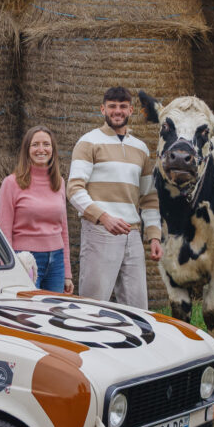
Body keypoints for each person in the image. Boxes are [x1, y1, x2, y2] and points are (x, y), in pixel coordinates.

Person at [66, 86, 163, 309]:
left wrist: (154, 236)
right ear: (103, 109)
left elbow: (149, 198)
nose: (117, 111)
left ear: (130, 110)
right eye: (112, 107)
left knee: (138, 307)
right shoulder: (88, 142)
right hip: (100, 231)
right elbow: (74, 189)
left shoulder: (140, 148)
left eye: (122, 107)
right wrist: (103, 217)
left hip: (132, 234)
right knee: (93, 305)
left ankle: (137, 345)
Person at [0, 125, 73, 293]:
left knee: (55, 312)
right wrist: (8, 270)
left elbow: (64, 230)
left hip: (56, 261)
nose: (41, 149)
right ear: (27, 150)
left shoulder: (59, 182)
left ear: (53, 149)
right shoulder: (11, 183)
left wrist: (67, 273)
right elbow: (4, 230)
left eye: (46, 144)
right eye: (35, 145)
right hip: (25, 259)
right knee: (27, 314)